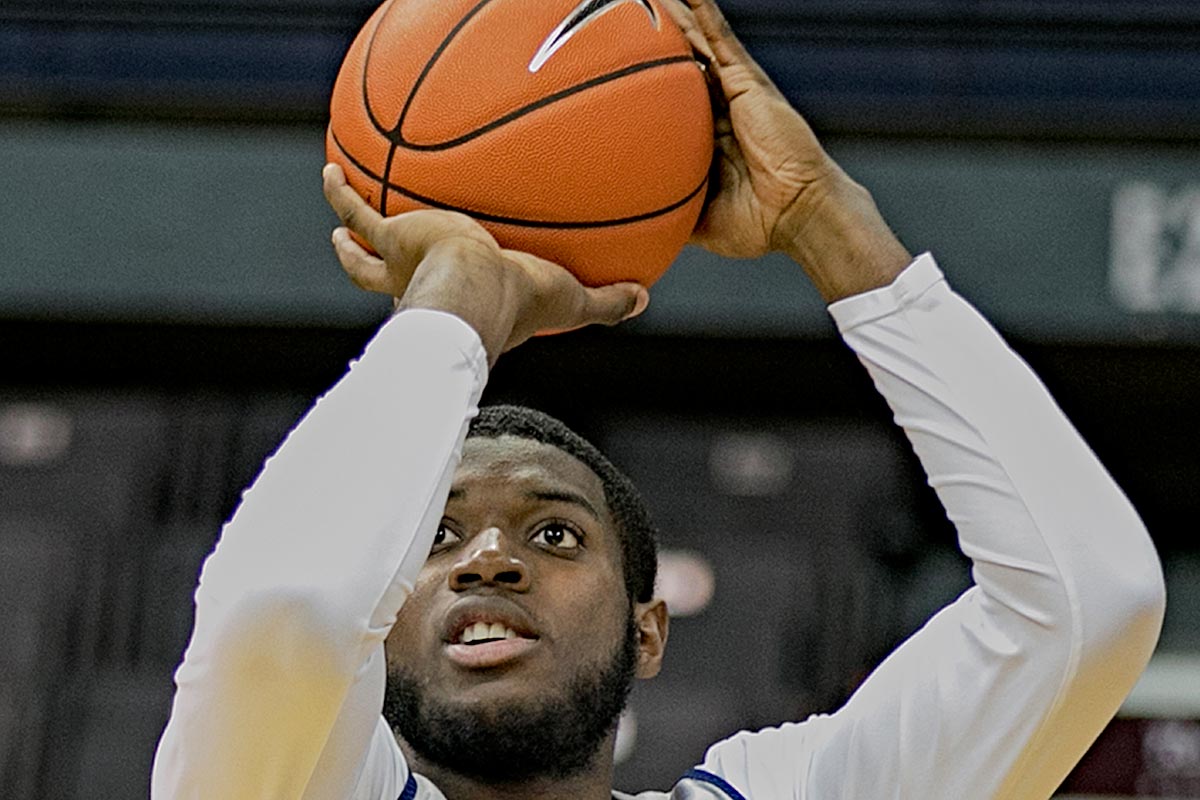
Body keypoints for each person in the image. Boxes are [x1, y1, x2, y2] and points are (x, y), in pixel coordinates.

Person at [151, 0, 1166, 797]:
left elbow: (1089, 603)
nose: (489, 558)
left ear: (647, 631)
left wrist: (826, 223)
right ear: (377, 622)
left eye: (555, 534)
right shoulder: (283, 779)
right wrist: (457, 304)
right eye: (436, 535)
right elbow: (284, 611)